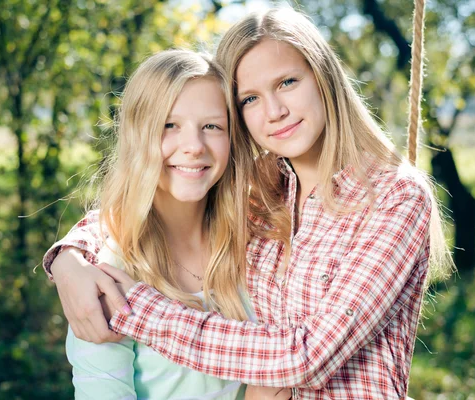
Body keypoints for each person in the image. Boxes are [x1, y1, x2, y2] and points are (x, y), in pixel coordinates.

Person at [47, 8, 454, 400]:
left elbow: (307, 356)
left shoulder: (393, 197)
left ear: (324, 77)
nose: (275, 112)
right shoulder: (260, 189)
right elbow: (144, 209)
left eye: (288, 82)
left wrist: (137, 310)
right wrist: (68, 261)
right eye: (250, 99)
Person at [45, 49, 291, 399]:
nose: (193, 146)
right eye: (169, 126)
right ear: (137, 136)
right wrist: (67, 259)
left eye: (211, 126)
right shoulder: (109, 271)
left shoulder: (257, 243)